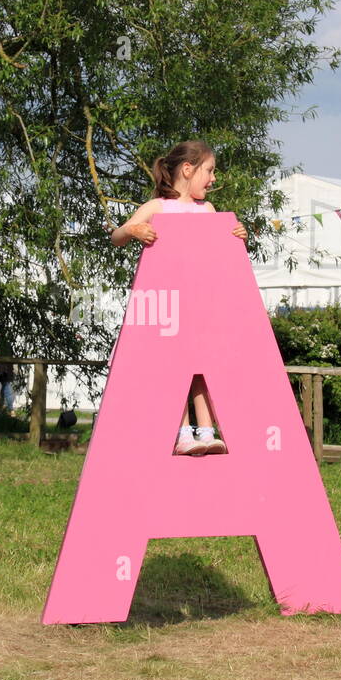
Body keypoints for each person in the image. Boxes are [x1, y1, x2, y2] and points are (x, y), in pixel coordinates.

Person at [110, 140, 247, 456]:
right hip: (168, 306)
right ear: (188, 169)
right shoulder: (158, 207)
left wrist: (237, 236)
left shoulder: (208, 210)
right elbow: (118, 235)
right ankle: (184, 433)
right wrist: (135, 230)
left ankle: (208, 430)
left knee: (202, 369)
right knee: (175, 369)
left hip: (201, 306)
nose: (213, 179)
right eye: (209, 171)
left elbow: (222, 254)